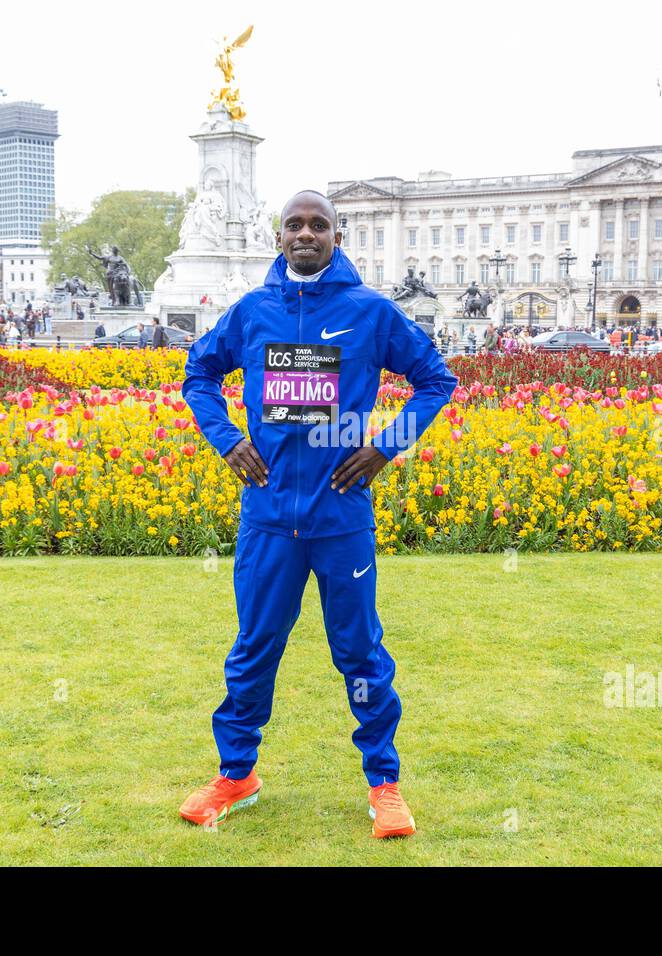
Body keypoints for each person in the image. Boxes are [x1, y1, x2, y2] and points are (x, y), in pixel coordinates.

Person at [180, 190, 457, 838]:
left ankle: (384, 786)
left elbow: (435, 379)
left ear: (337, 235)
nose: (306, 233)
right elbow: (198, 374)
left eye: (318, 225)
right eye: (294, 225)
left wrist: (385, 446)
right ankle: (236, 775)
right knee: (253, 651)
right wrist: (227, 439)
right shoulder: (252, 313)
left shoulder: (368, 313)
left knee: (360, 654)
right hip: (270, 517)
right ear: (279, 237)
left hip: (340, 519)